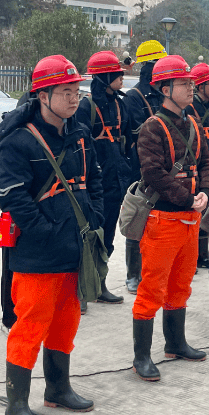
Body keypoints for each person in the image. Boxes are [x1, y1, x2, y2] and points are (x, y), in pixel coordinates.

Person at [0, 56, 103, 415]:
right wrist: (45, 230)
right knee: (29, 326)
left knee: (65, 322)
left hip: (76, 248)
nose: (75, 99)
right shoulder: (18, 140)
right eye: (66, 92)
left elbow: (95, 180)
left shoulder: (79, 134)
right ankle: (16, 406)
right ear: (42, 95)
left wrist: (95, 218)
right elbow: (11, 195)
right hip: (38, 253)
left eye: (77, 91)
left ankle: (57, 388)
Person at [131, 55, 209, 381]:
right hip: (163, 220)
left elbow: (206, 162)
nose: (191, 87)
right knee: (152, 288)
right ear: (165, 89)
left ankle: (175, 344)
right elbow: (153, 173)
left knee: (181, 284)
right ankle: (141, 357)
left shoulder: (192, 123)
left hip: (190, 219)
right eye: (183, 83)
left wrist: (206, 191)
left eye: (191, 82)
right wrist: (188, 198)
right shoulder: (153, 127)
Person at [74, 51, 131, 309]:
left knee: (107, 237)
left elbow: (128, 140)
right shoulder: (85, 107)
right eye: (115, 73)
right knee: (88, 235)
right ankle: (81, 289)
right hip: (93, 183)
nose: (121, 76)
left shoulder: (120, 104)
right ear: (103, 77)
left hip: (116, 181)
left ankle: (100, 285)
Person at [123, 40, 167, 294]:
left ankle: (153, 270)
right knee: (138, 218)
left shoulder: (164, 95)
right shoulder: (134, 98)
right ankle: (133, 273)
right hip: (139, 167)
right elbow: (134, 133)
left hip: (165, 167)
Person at [188, 62, 209, 269]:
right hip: (196, 162)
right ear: (200, 87)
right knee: (196, 207)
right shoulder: (190, 107)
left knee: (208, 206)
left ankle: (203, 253)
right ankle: (194, 254)